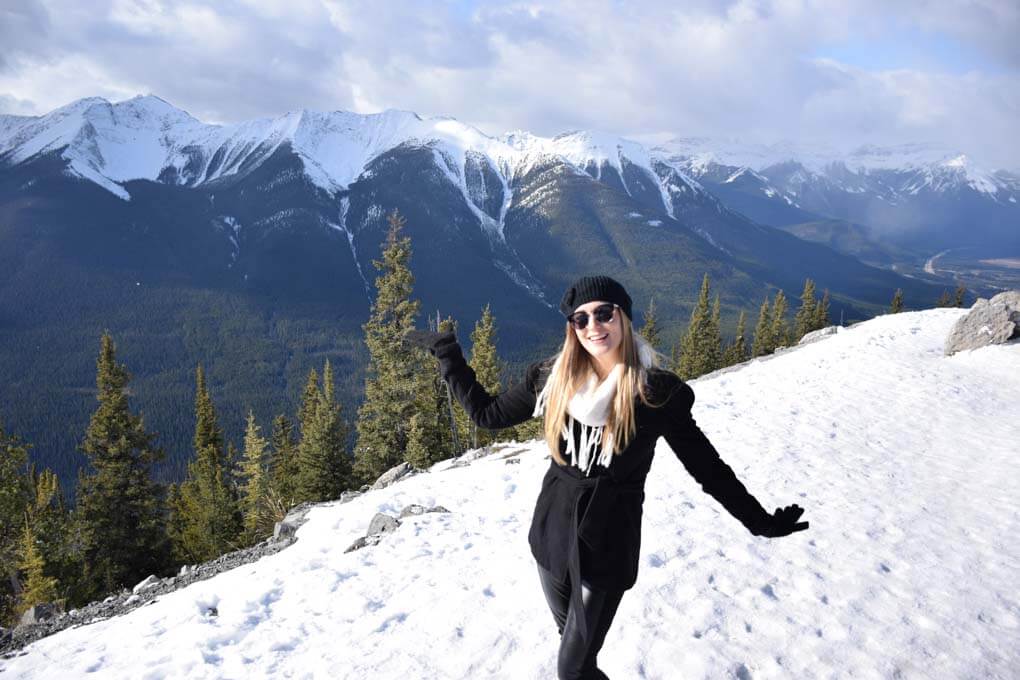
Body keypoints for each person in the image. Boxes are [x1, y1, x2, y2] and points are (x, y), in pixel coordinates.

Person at [406, 275, 808, 680]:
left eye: (603, 314)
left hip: (608, 538)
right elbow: (487, 415)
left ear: (624, 318)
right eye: (581, 319)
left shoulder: (654, 393)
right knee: (576, 650)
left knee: (572, 668)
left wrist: (760, 521)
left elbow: (707, 469)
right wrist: (448, 355)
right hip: (553, 533)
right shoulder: (551, 378)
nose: (593, 326)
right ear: (572, 329)